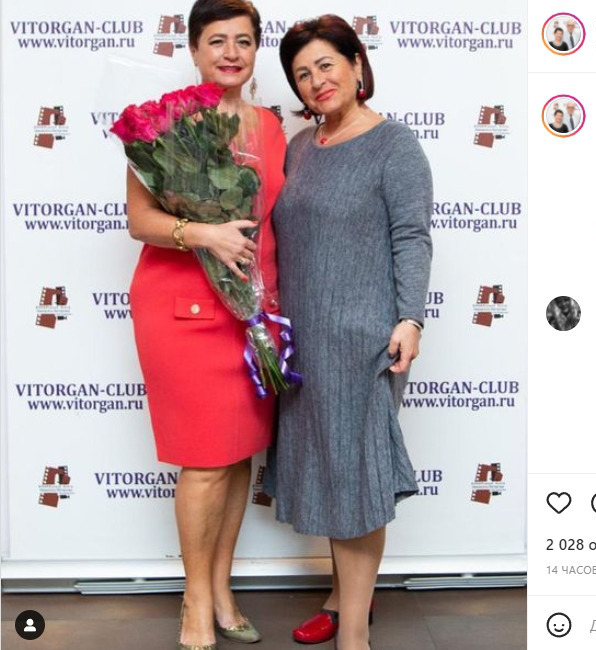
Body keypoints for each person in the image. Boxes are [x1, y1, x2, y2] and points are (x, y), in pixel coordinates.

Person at [126, 0, 285, 647]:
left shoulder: (269, 126)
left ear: (255, 51)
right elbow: (141, 220)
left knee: (238, 452)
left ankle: (221, 589)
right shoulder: (167, 123)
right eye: (216, 40)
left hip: (251, 311)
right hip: (183, 311)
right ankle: (194, 602)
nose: (230, 53)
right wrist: (203, 234)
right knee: (203, 462)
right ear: (192, 49)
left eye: (243, 41)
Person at [272, 14, 432, 650]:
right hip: (304, 340)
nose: (316, 81)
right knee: (328, 469)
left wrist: (410, 318)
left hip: (367, 339)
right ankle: (341, 599)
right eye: (302, 74)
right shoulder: (299, 148)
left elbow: (412, 237)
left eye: (326, 65)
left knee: (357, 477)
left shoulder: (395, 144)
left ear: (357, 64)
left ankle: (355, 635)